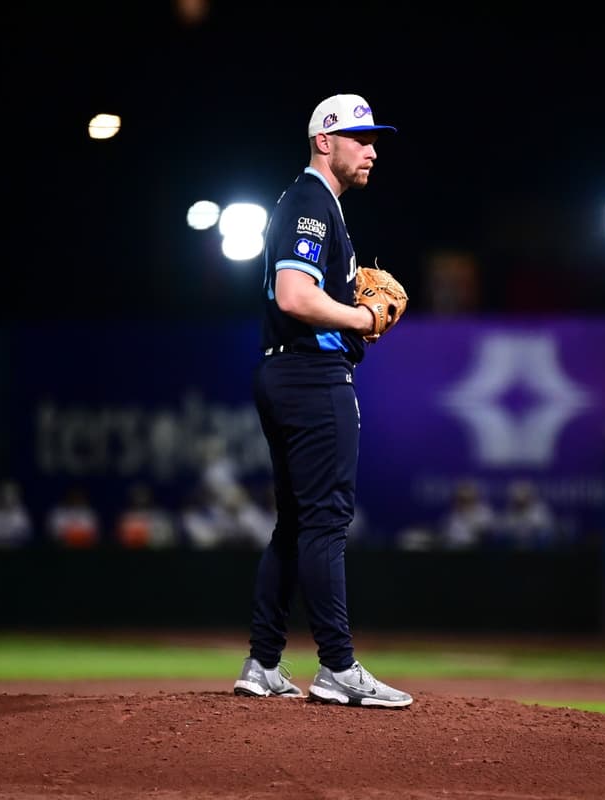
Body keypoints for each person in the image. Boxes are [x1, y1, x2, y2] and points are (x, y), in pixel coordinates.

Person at [232, 93, 412, 708]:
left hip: (283, 372)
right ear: (323, 141)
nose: (372, 148)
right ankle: (337, 666)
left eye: (374, 138)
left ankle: (262, 662)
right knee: (327, 522)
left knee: (296, 522)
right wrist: (362, 315)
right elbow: (294, 295)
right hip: (312, 376)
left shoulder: (311, 204)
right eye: (360, 136)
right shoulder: (312, 201)